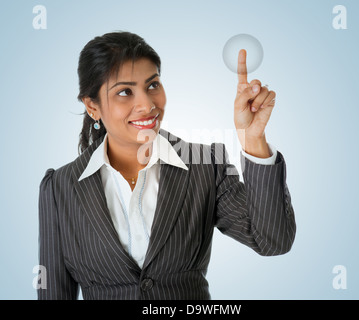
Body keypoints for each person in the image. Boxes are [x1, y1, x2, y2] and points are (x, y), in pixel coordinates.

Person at [38, 31, 296, 300]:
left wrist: (252, 139)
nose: (147, 105)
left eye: (152, 86)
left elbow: (272, 241)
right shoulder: (59, 188)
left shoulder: (206, 166)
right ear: (92, 107)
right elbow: (53, 293)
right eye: (125, 92)